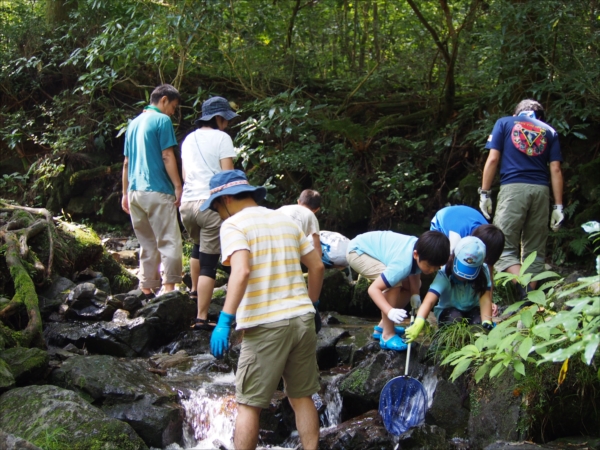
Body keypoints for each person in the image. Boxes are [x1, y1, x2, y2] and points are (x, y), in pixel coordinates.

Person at [203, 170, 324, 450]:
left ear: (228, 199)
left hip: (265, 323)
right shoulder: (285, 220)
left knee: (248, 404)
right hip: (302, 319)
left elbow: (242, 270)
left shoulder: (233, 225)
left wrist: (224, 320)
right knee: (301, 397)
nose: (218, 213)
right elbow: (317, 266)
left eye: (216, 206)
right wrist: (313, 304)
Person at [479, 99, 564, 296]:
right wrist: (558, 206)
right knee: (535, 253)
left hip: (513, 190)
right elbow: (556, 169)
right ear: (540, 116)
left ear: (517, 113)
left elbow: (493, 159)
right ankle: (528, 303)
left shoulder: (504, 123)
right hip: (541, 191)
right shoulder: (549, 131)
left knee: (501, 248)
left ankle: (525, 294)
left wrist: (485, 192)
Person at [178, 96, 238, 330]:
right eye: (226, 119)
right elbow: (228, 178)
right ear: (219, 118)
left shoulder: (188, 139)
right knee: (209, 264)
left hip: (188, 204)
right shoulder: (223, 138)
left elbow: (185, 176)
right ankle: (201, 317)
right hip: (210, 204)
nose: (227, 124)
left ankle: (194, 293)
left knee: (196, 245)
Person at [121, 84, 183, 298]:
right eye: (173, 107)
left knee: (147, 242)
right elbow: (167, 155)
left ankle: (146, 288)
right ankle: (169, 288)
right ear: (164, 100)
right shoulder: (162, 121)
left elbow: (126, 163)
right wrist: (177, 185)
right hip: (158, 190)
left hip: (135, 191)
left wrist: (124, 193)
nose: (172, 113)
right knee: (169, 240)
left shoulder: (133, 124)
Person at [346, 230, 450, 350]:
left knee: (408, 286)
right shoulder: (403, 263)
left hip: (371, 249)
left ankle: (382, 327)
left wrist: (415, 294)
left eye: (437, 267)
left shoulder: (423, 250)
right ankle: (387, 335)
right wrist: (389, 311)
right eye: (429, 266)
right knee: (394, 283)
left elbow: (415, 271)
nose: (432, 270)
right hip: (358, 251)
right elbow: (373, 289)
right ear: (416, 255)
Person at [404, 236, 494, 343]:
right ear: (454, 258)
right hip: (449, 311)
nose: (464, 276)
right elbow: (429, 300)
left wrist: (487, 321)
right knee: (455, 318)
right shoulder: (445, 273)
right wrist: (419, 320)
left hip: (473, 310)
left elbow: (485, 299)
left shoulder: (483, 271)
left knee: (479, 325)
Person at [278, 189, 322, 259]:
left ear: (298, 201)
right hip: (290, 250)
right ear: (316, 209)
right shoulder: (311, 215)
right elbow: (317, 246)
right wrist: (318, 265)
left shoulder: (283, 208)